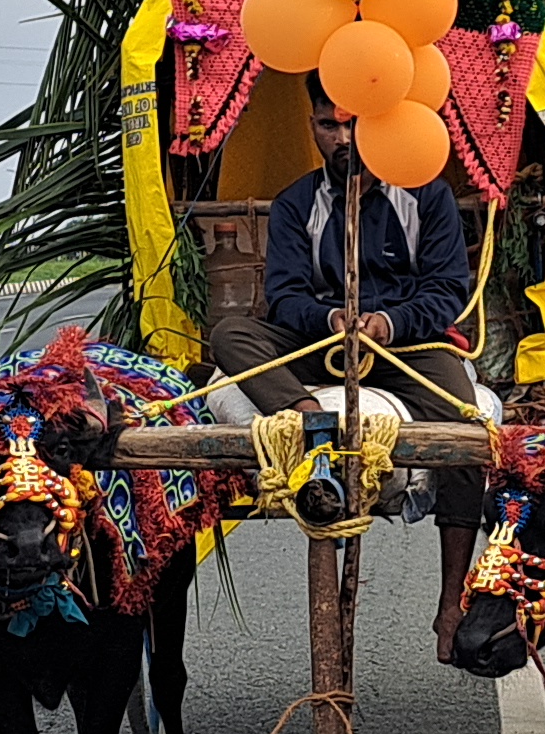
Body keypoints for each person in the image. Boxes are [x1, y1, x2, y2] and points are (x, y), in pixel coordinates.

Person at [202, 74, 496, 632]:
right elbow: (285, 294)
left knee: (467, 428)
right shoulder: (297, 204)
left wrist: (388, 322)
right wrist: (331, 320)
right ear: (313, 128)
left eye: (353, 123)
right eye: (328, 125)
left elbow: (448, 289)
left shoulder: (427, 195)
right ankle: (312, 423)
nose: (342, 138)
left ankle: (450, 600)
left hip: (407, 346)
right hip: (321, 343)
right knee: (231, 338)